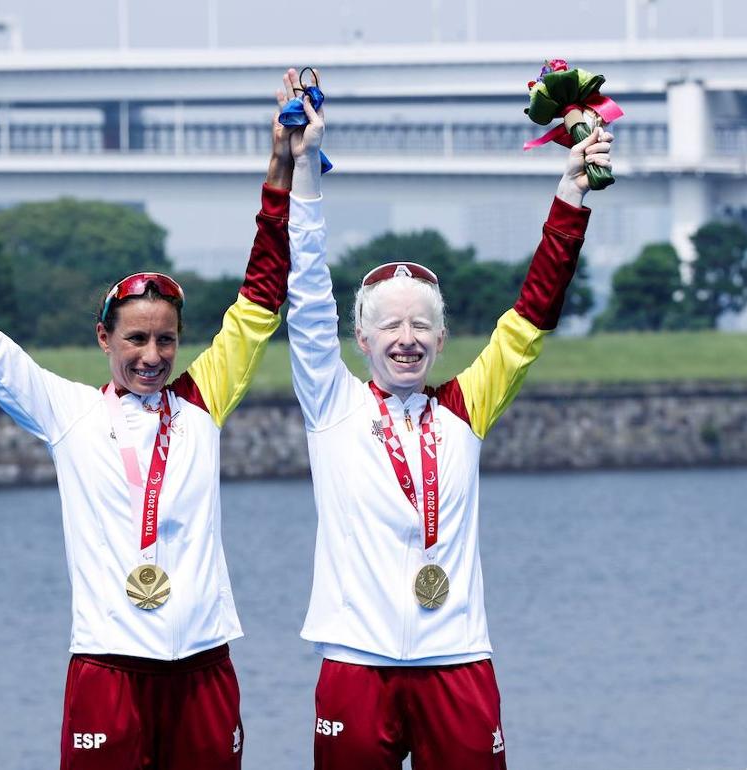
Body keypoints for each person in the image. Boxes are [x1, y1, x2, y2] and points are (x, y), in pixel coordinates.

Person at [0, 76, 301, 770]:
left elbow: (260, 297)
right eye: (136, 339)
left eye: (165, 339)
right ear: (105, 339)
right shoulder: (68, 411)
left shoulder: (206, 396)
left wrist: (281, 166)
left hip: (202, 666)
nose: (153, 356)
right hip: (107, 670)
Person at [283, 69, 614, 769]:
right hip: (355, 663)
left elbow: (533, 312)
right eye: (389, 326)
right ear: (362, 340)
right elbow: (307, 295)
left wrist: (571, 196)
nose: (406, 338)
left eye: (421, 326)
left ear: (441, 340)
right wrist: (305, 164)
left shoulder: (469, 404)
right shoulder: (331, 403)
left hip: (458, 658)